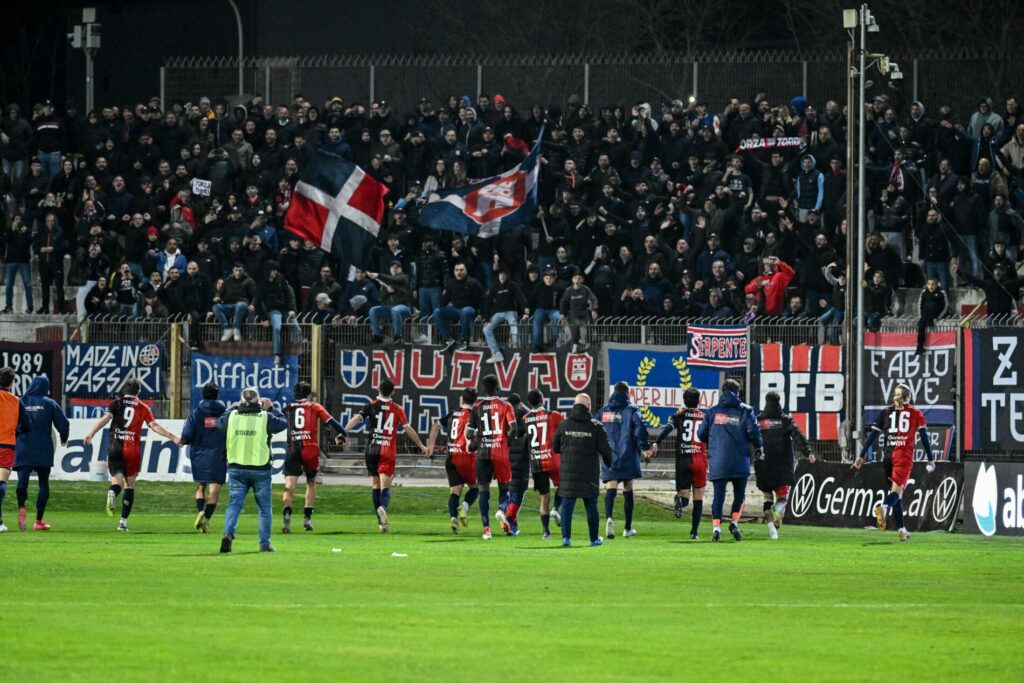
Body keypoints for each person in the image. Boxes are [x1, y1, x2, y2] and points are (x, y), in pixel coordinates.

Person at [83, 377, 181, 532]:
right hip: (132, 450)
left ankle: (112, 492)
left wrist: (91, 433)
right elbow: (154, 425)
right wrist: (173, 437)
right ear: (139, 392)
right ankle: (123, 523)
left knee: (116, 483)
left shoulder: (116, 404)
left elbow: (105, 419)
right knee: (130, 485)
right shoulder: (143, 407)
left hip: (115, 447)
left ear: (124, 390)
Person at [342, 380, 428, 533]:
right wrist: (421, 445)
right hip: (387, 450)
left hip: (371, 449)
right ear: (393, 392)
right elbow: (407, 429)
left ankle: (381, 524)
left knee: (375, 485)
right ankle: (382, 508)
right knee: (385, 488)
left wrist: (344, 432)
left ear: (377, 389)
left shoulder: (371, 405)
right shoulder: (397, 409)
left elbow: (357, 418)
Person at [854, 384, 936, 542]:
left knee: (896, 496)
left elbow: (872, 436)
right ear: (909, 397)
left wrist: (861, 455)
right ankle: (883, 508)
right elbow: (924, 437)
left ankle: (902, 531)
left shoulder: (885, 412)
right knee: (896, 494)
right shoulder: (915, 413)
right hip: (903, 457)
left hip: (887, 457)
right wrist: (930, 457)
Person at [217, 388, 287, 552]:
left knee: (234, 505)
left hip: (236, 468)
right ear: (258, 402)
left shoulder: (232, 416)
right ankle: (264, 543)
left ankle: (228, 534)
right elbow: (283, 423)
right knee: (264, 509)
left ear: (241, 401)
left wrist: (235, 407)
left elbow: (218, 423)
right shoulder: (265, 417)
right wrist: (271, 408)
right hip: (260, 469)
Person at [697, 379, 763, 542]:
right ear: (738, 392)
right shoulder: (746, 410)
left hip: (718, 459)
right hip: (740, 458)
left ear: (722, 392)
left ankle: (716, 528)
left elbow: (701, 434)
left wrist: (714, 441)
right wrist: (759, 446)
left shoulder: (712, 411)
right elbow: (753, 432)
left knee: (718, 496)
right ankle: (734, 522)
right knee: (739, 494)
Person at [281, 381, 345, 533]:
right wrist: (344, 433)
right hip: (310, 448)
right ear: (309, 395)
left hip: (292, 448)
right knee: (311, 483)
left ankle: (287, 517)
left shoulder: (288, 408)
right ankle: (307, 519)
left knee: (289, 486)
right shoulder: (314, 406)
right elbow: (332, 422)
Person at [552, 393, 613, 547]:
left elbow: (555, 447)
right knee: (591, 506)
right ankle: (593, 539)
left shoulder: (564, 425)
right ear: (589, 406)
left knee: (567, 506)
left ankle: (566, 539)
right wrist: (609, 463)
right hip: (589, 475)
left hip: (568, 474)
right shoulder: (596, 427)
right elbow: (606, 451)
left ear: (574, 405)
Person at [755, 391, 815, 541]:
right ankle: (777, 510)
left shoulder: (758, 420)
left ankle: (772, 532)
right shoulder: (785, 420)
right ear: (779, 401)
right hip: (781, 465)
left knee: (767, 498)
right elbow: (798, 437)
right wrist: (808, 453)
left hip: (762, 464)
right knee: (783, 498)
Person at [595, 381, 650, 540]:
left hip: (609, 456)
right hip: (628, 455)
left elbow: (595, 429)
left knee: (611, 486)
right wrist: (645, 447)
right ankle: (627, 528)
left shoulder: (603, 411)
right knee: (628, 487)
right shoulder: (632, 410)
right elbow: (640, 428)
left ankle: (609, 518)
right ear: (628, 394)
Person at [13, 374, 68, 531]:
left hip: (24, 447)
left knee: (22, 481)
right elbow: (63, 424)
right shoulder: (49, 403)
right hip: (43, 448)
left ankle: (22, 508)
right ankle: (38, 521)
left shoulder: (20, 401)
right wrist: (64, 437)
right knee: (43, 484)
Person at [466, 374, 517, 540]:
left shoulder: (476, 408)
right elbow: (514, 428)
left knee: (483, 490)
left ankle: (486, 529)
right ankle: (501, 511)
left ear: (483, 389)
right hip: (500, 452)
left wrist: (478, 437)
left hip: (482, 453)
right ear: (498, 388)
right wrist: (506, 443)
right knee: (505, 489)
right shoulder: (505, 405)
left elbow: (468, 433)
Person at [654, 387, 707, 540]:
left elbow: (666, 429)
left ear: (684, 401)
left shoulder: (679, 416)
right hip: (699, 459)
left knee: (684, 497)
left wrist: (656, 443)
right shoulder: (705, 417)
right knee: (698, 497)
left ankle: (679, 502)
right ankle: (694, 532)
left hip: (683, 460)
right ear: (699, 401)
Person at [426, 388, 480, 533]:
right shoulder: (474, 414)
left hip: (450, 456)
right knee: (477, 487)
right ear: (475, 400)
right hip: (466, 457)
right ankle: (465, 507)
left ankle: (453, 519)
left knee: (455, 492)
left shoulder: (453, 413)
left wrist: (430, 447)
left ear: (462, 398)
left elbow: (435, 426)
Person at [180, 381, 227, 533]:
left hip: (199, 454)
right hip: (219, 454)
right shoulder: (224, 411)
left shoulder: (196, 412)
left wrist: (185, 440)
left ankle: (201, 511)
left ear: (203, 395)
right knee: (215, 489)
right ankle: (206, 518)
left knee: (201, 486)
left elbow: (187, 434)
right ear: (217, 395)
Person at [524, 389, 565, 539]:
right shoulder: (553, 415)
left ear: (529, 403)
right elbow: (564, 431)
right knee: (563, 485)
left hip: (536, 462)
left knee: (543, 498)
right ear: (542, 399)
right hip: (553, 459)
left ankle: (546, 532)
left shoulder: (526, 418)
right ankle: (556, 508)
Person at [0, 367, 31, 532]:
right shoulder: (16, 401)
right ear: (12, 383)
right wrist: (15, 430)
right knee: (1, 483)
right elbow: (27, 426)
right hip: (6, 445)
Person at [496, 392, 530, 536]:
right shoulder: (526, 416)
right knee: (519, 491)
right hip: (521, 458)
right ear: (520, 403)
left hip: (503, 456)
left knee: (506, 488)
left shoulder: (502, 414)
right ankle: (509, 518)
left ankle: (505, 515)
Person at [559, 269, 599, 353]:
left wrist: (594, 309)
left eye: (579, 278)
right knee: (575, 325)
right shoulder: (569, 290)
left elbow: (594, 299)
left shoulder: (586, 289)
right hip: (574, 313)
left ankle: (588, 344)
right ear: (572, 280)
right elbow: (563, 302)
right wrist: (562, 313)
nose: (577, 280)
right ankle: (575, 345)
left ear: (582, 280)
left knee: (588, 326)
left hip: (584, 312)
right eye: (575, 278)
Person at [915, 277, 948, 355]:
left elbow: (945, 305)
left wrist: (939, 317)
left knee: (931, 305)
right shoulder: (924, 292)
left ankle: (930, 320)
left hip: (936, 314)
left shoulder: (941, 292)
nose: (931, 286)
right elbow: (920, 304)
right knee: (921, 326)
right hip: (925, 315)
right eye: (929, 284)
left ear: (936, 285)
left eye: (933, 284)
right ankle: (920, 346)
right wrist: (921, 315)